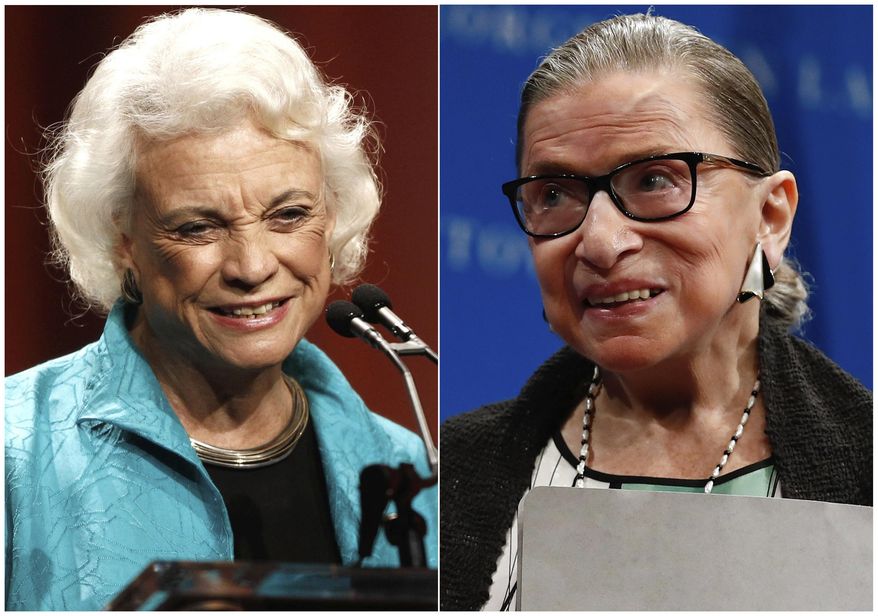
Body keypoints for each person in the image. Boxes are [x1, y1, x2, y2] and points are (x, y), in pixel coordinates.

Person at [5, 8, 436, 611]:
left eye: (288, 215)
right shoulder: (16, 451)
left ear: (334, 214)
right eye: (198, 226)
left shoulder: (407, 472)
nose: (252, 266)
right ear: (122, 240)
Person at [440, 13, 871, 611]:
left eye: (655, 179)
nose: (599, 241)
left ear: (770, 217)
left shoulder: (863, 459)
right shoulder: (449, 478)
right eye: (555, 194)